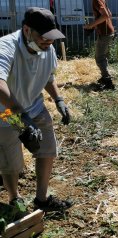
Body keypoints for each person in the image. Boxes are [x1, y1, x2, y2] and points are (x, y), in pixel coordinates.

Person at [0, 7, 72, 212]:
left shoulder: (46, 48)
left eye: (52, 37)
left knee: (47, 147)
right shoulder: (6, 47)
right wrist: (20, 115)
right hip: (6, 112)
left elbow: (48, 76)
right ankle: (15, 197)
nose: (48, 42)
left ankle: (41, 199)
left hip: (34, 107)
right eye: (43, 37)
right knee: (11, 162)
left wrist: (59, 99)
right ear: (26, 30)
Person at [84, 0, 115, 91]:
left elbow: (105, 15)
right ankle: (105, 77)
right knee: (103, 56)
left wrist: (90, 25)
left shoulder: (96, 1)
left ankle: (108, 82)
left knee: (99, 58)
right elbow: (109, 14)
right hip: (108, 32)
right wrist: (96, 25)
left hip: (105, 33)